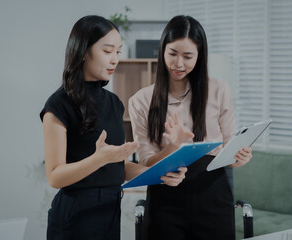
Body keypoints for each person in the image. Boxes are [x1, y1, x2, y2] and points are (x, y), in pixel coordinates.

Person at [40, 15, 187, 240]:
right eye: (108, 51)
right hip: (74, 217)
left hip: (109, 212)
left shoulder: (114, 103)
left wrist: (161, 174)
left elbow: (120, 165)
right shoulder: (58, 104)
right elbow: (55, 176)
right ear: (82, 52)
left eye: (118, 52)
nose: (115, 59)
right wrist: (100, 158)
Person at [128, 15, 253, 240]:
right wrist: (172, 147)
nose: (179, 64)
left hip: (213, 197)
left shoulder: (218, 90)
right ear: (162, 50)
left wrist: (239, 157)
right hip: (165, 199)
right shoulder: (141, 100)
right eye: (173, 54)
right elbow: (146, 160)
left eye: (188, 56)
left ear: (199, 55)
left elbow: (228, 147)